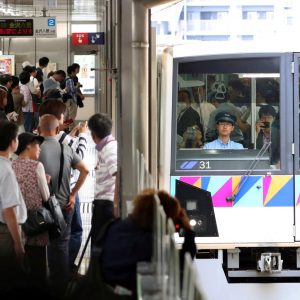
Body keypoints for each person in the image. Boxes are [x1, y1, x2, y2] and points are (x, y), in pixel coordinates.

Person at [100, 189, 196, 297]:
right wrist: (188, 230)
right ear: (161, 218)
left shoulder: (117, 226)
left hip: (105, 286)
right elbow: (181, 264)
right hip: (116, 294)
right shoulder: (148, 243)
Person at [38, 114, 89, 298]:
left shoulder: (33, 149)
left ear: (38, 129)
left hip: (39, 211)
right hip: (63, 206)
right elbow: (85, 170)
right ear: (57, 130)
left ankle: (42, 284)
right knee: (61, 246)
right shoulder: (65, 149)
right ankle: (60, 289)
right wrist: (73, 193)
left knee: (39, 247)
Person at [12, 132, 50, 290]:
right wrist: (47, 182)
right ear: (28, 145)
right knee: (38, 270)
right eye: (37, 145)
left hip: (17, 225)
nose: (39, 149)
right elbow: (46, 196)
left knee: (19, 272)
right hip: (36, 224)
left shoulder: (10, 165)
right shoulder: (37, 166)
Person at [0, 120, 27, 293]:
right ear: (12, 142)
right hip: (6, 232)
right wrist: (18, 243)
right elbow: (9, 210)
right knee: (9, 277)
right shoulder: (6, 170)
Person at [88, 113, 118, 246]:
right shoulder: (107, 147)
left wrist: (116, 204)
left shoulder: (109, 149)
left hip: (107, 204)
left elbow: (118, 174)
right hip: (104, 203)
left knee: (100, 244)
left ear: (93, 134)